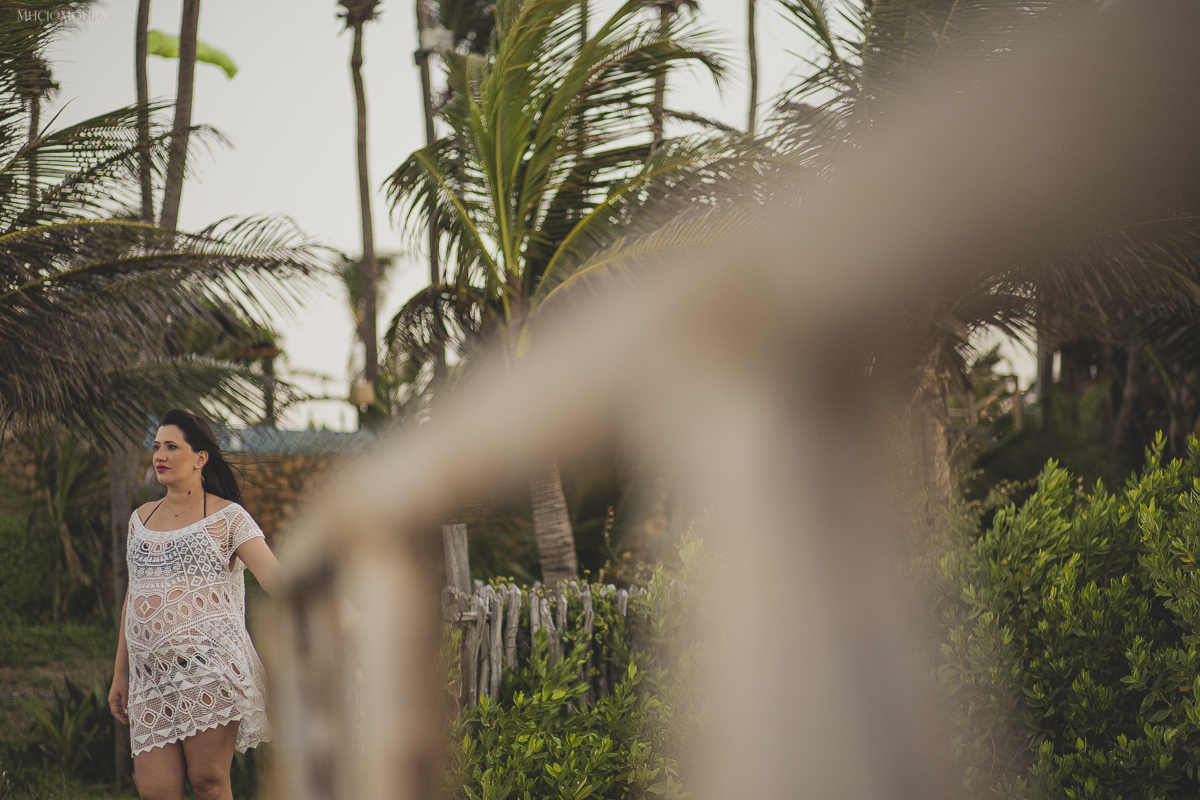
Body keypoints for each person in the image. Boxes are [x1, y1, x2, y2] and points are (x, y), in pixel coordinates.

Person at [108, 409, 279, 800]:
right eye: (157, 447)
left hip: (208, 670)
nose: (160, 456)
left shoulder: (228, 517)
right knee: (156, 791)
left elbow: (274, 578)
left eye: (172, 447)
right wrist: (121, 673)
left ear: (200, 458)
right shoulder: (140, 519)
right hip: (149, 678)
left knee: (208, 784)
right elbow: (135, 596)